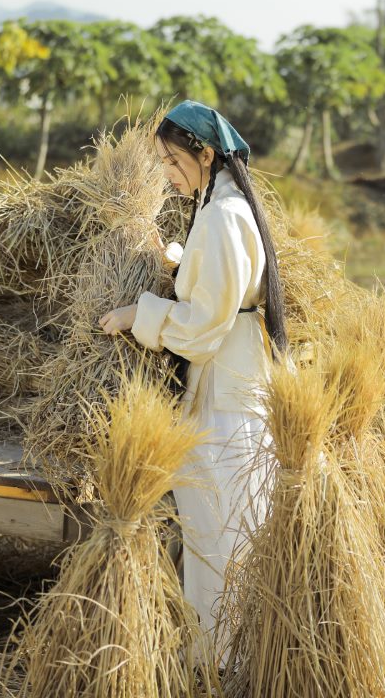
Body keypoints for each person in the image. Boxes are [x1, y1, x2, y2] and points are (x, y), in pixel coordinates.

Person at [98, 100, 286, 634]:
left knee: (222, 536)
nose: (165, 172)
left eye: (171, 160)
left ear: (205, 154)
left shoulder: (225, 216)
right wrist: (175, 262)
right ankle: (219, 659)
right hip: (224, 387)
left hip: (226, 397)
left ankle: (224, 663)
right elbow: (217, 283)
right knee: (215, 534)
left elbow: (205, 325)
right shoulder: (217, 207)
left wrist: (141, 314)